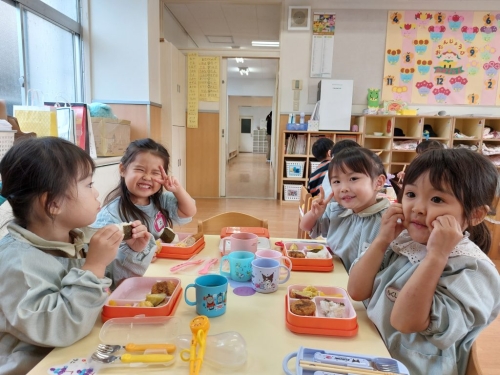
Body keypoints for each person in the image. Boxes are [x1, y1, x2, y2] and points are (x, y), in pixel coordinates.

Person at [0, 137, 151, 374]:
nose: (96, 192)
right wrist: (93, 267)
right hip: (36, 365)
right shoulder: (17, 264)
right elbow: (59, 327)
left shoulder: (76, 237)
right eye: (89, 185)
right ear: (53, 204)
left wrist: (130, 252)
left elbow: (108, 287)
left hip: (81, 349)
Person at [347, 148, 500, 375]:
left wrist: (436, 256)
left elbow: (404, 322)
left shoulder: (472, 269)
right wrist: (381, 240)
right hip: (371, 354)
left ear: (476, 215)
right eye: (411, 194)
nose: (417, 208)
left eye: (437, 199)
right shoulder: (402, 242)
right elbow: (356, 290)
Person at [94, 138, 197, 257]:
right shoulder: (110, 215)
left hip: (164, 263)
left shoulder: (162, 200)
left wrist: (178, 190)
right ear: (123, 170)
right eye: (140, 169)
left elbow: (189, 211)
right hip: (134, 271)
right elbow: (105, 256)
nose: (147, 177)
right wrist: (141, 254)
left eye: (155, 173)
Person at [300, 147, 390, 271]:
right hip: (333, 274)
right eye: (336, 181)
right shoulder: (337, 210)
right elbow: (306, 227)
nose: (343, 188)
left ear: (378, 183)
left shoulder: (387, 221)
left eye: (353, 179)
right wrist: (314, 214)